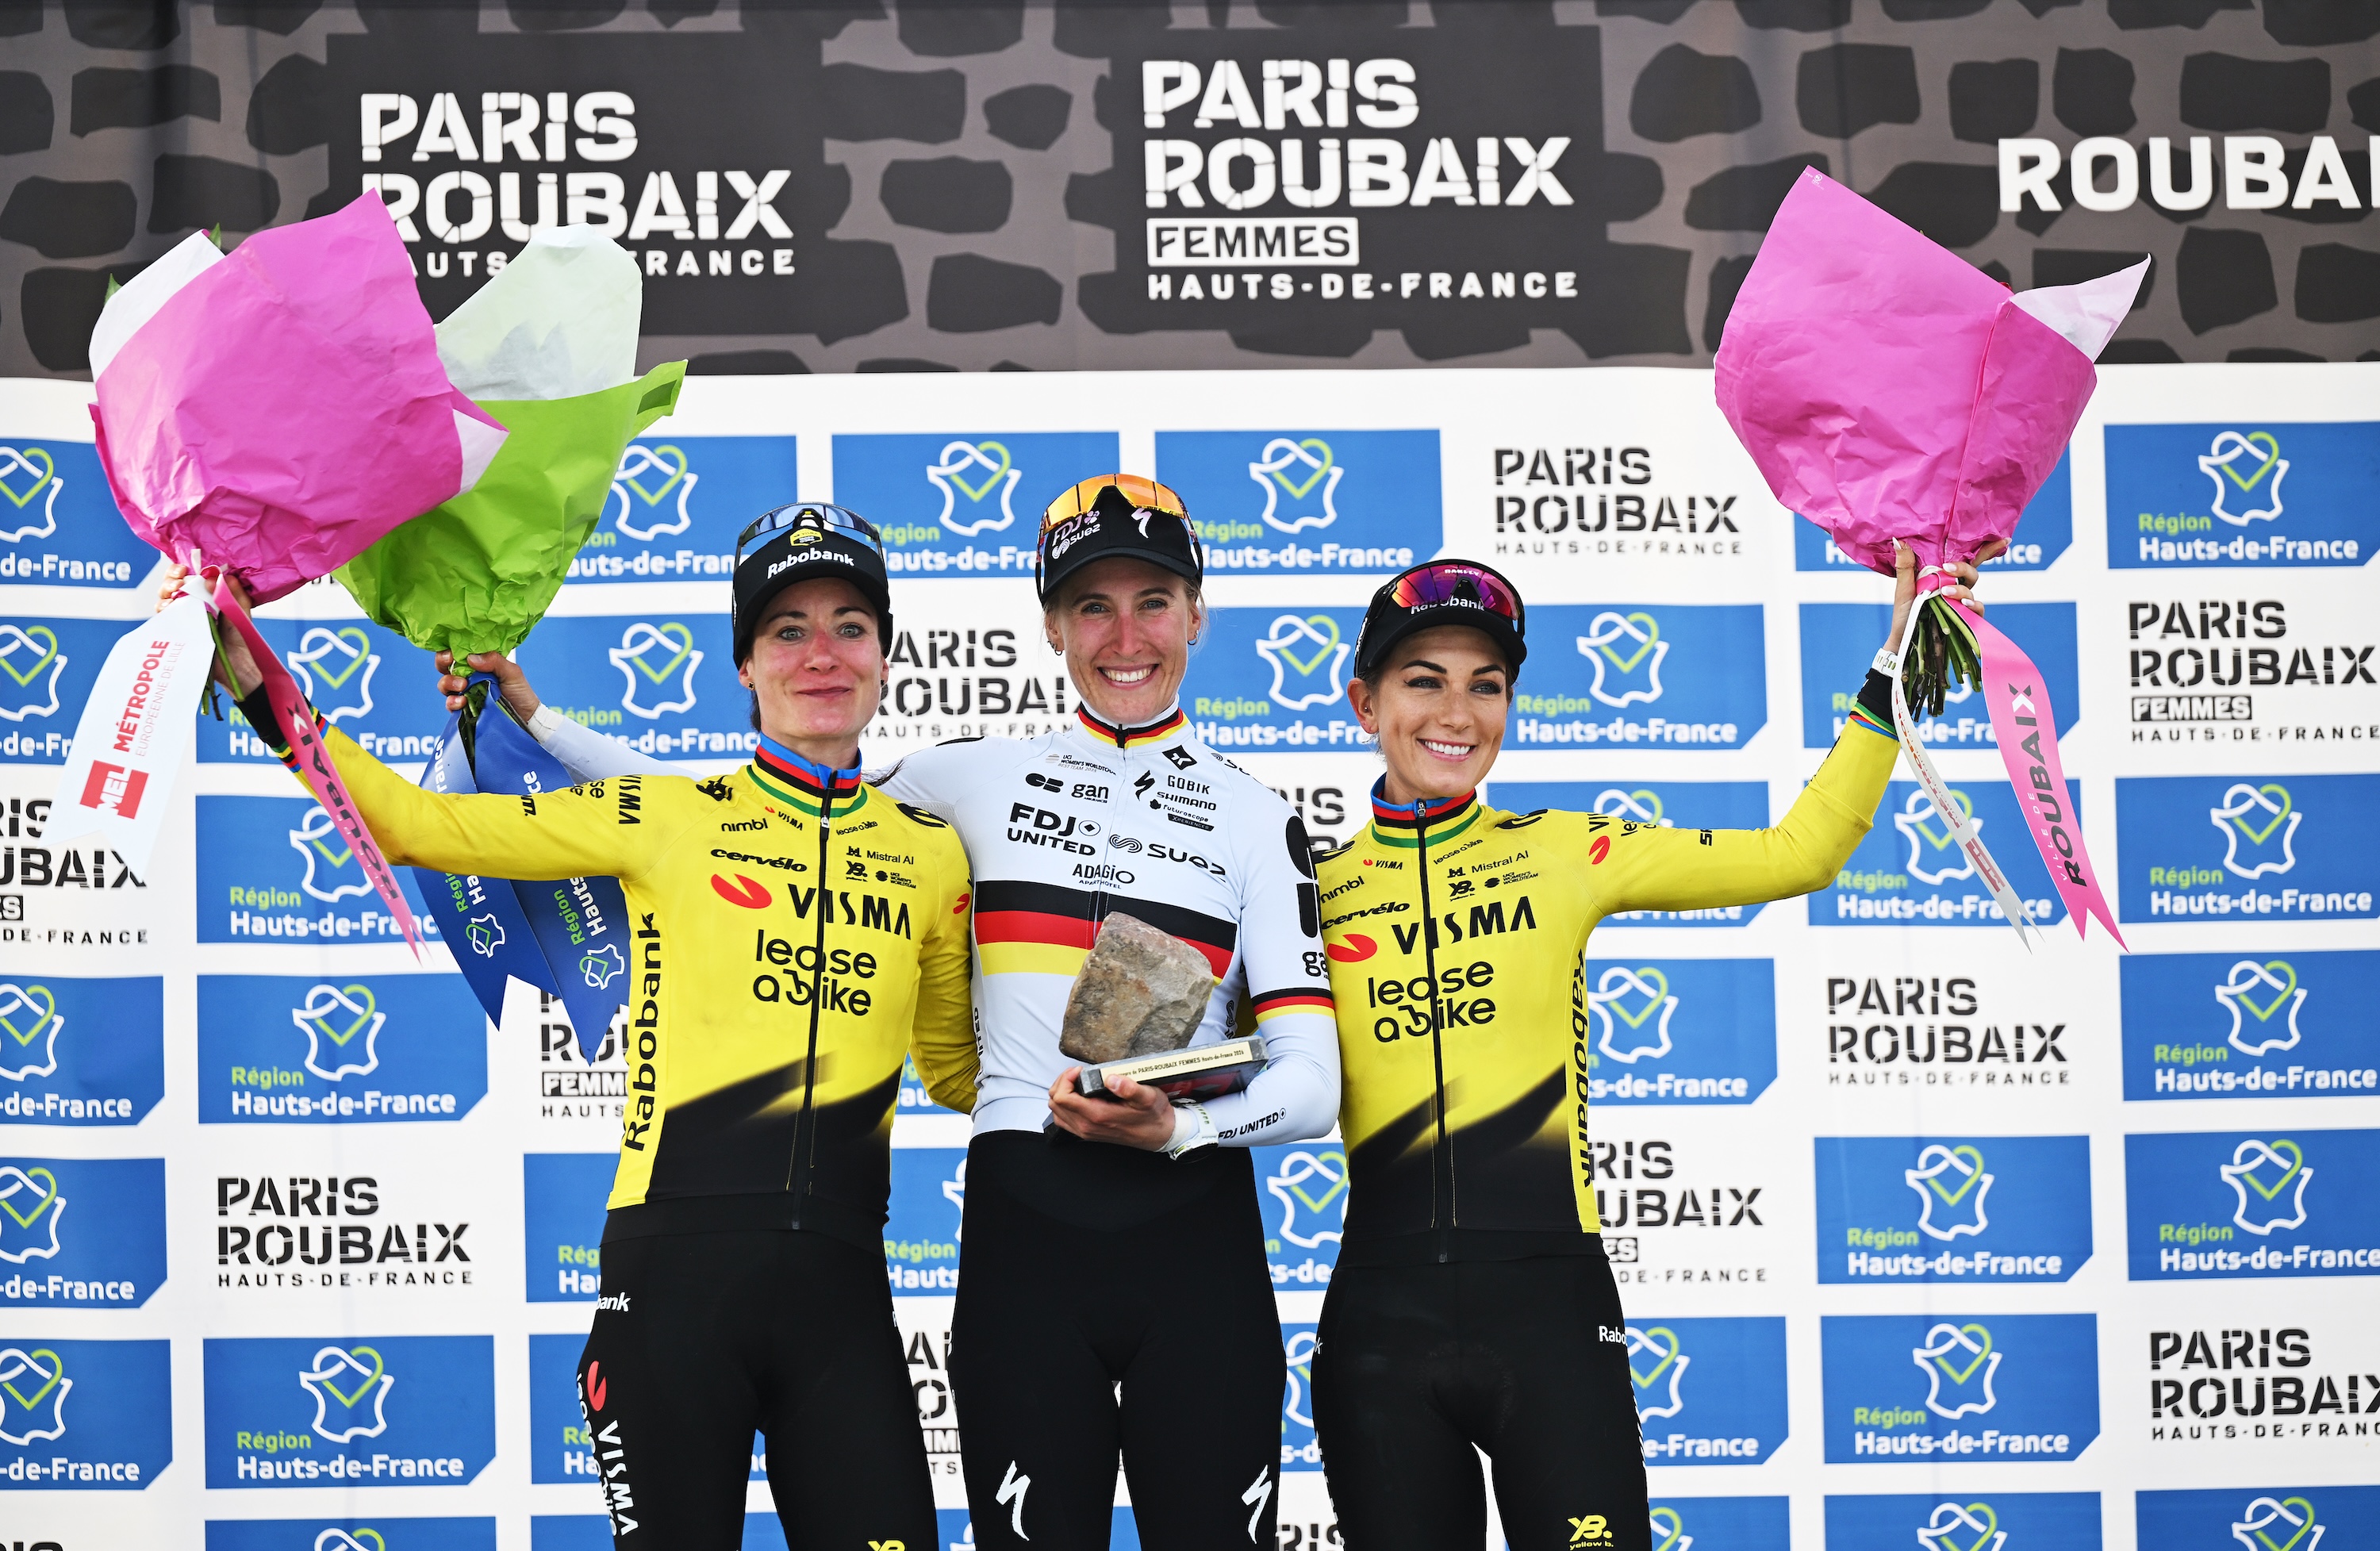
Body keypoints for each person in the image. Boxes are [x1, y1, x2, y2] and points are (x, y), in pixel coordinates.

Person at [455, 474, 1339, 1551]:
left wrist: (1185, 1124)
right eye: (1092, 606)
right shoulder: (966, 779)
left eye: (1153, 600)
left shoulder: (1260, 816)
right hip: (1030, 1231)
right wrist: (544, 720)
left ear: (1197, 614)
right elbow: (740, 820)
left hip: (1196, 1237)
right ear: (1053, 623)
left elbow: (1310, 1079)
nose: (1125, 635)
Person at [178, 505, 976, 1551]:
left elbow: (963, 1071)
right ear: (745, 665)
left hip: (843, 1296)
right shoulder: (663, 813)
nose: (821, 654)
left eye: (849, 625)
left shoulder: (933, 852)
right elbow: (419, 825)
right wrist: (255, 680)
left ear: (883, 655)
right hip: (672, 1285)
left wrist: (1119, 1077)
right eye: (787, 629)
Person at [1307, 547, 1988, 1551]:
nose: (1457, 712)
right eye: (1424, 680)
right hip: (1377, 1324)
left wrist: (1893, 663)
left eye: (1486, 685)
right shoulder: (1309, 892)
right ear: (1365, 702)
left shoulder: (1563, 849)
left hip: (1550, 1313)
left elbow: (1799, 851)